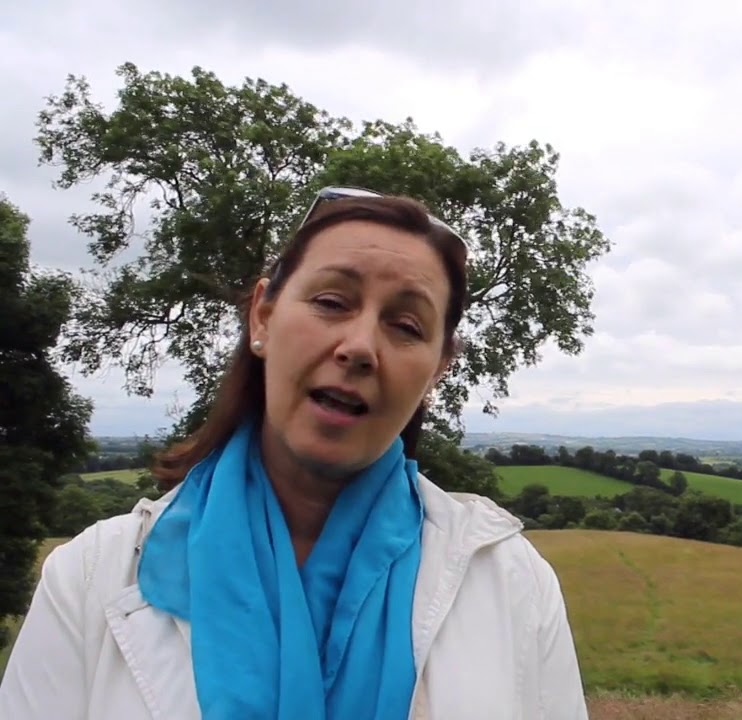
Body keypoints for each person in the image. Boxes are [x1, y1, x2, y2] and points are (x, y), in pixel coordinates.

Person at [0, 187, 590, 719]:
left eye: (406, 326)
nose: (360, 347)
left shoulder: (514, 583)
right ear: (263, 315)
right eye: (332, 302)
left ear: (437, 369)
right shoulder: (88, 577)